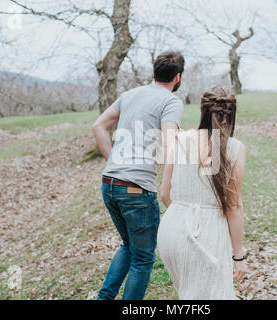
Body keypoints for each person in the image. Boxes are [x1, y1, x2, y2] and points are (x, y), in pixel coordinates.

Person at [92, 51, 185, 300]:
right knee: (143, 258)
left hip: (109, 184)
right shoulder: (171, 101)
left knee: (129, 246)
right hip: (136, 190)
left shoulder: (129, 95)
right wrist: (166, 189)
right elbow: (169, 141)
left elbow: (98, 125)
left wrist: (113, 162)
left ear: (154, 72)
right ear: (178, 77)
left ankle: (104, 298)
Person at [157, 87, 247, 300]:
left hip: (171, 230)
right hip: (206, 234)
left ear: (201, 111)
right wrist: (239, 255)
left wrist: (182, 218)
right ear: (232, 114)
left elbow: (164, 192)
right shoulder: (235, 148)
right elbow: (233, 206)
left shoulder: (179, 140)